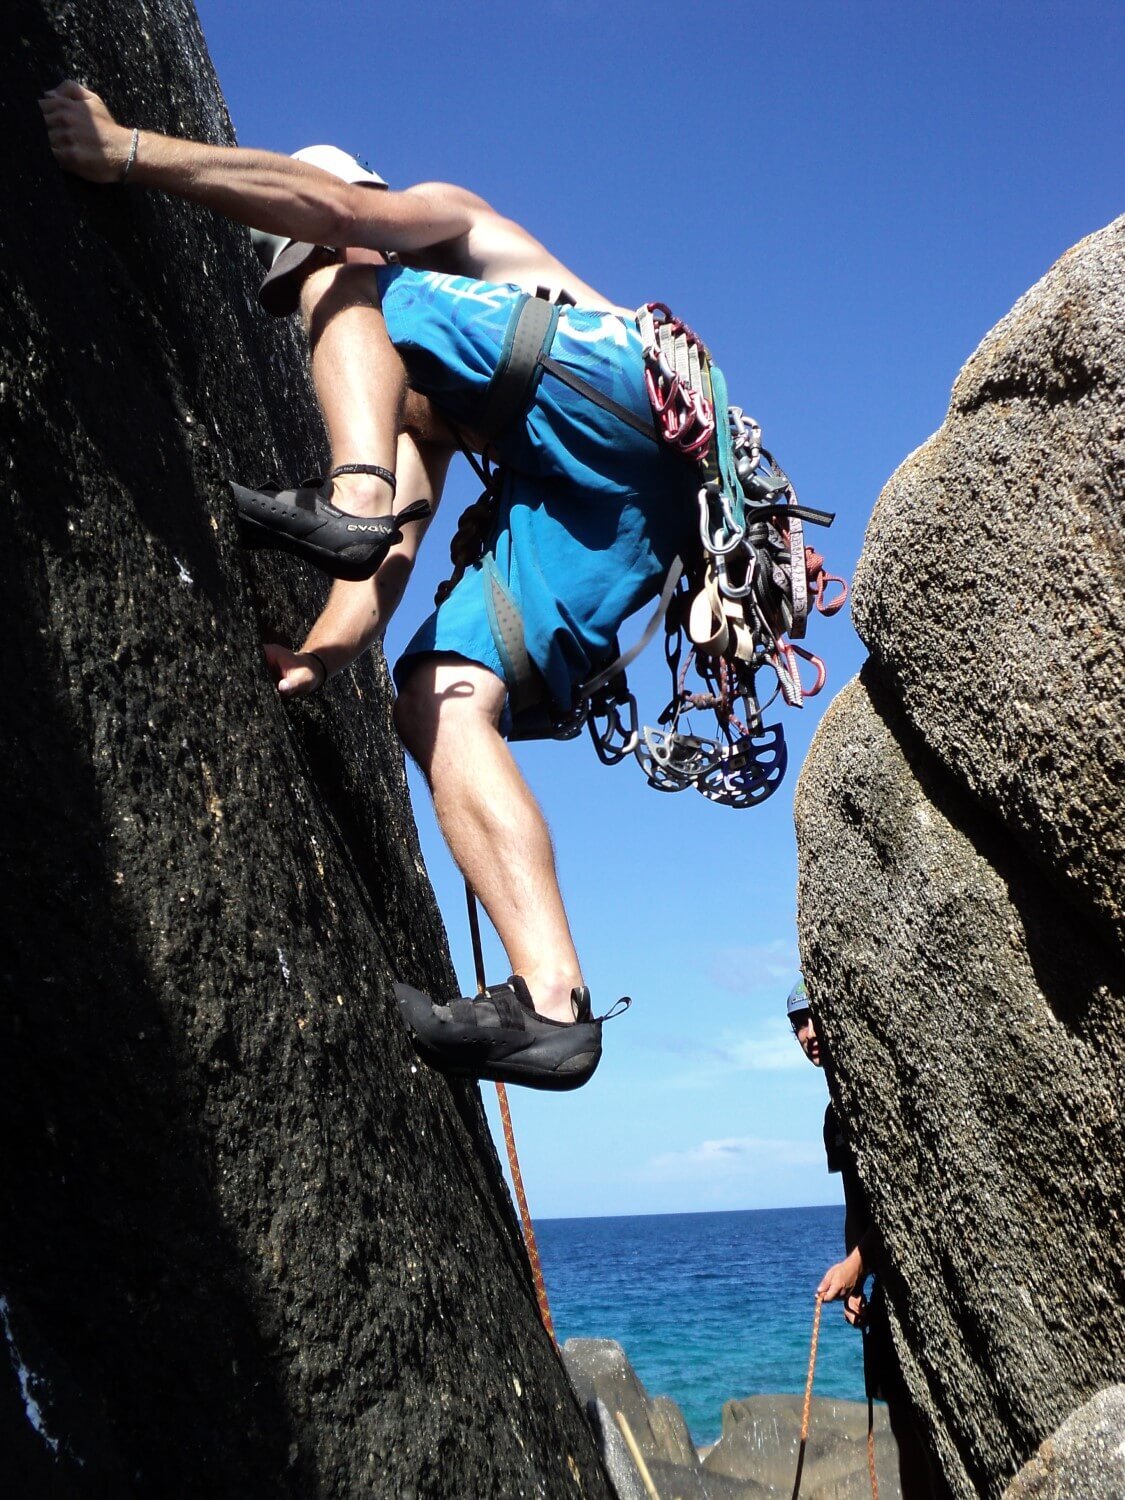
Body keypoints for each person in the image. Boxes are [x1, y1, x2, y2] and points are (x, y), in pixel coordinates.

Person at [39, 82, 699, 1091]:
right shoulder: (422, 393)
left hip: (617, 387)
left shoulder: (452, 222)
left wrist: (126, 149)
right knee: (438, 694)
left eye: (305, 250)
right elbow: (393, 542)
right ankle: (553, 1006)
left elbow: (345, 222)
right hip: (613, 512)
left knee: (355, 306)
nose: (312, 295)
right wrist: (323, 656)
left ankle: (341, 486)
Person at [788, 979, 940, 1498]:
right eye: (797, 1025)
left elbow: (912, 1197)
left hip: (923, 1280)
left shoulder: (873, 1099)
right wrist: (856, 1278)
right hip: (886, 1281)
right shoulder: (835, 1116)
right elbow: (859, 1205)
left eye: (812, 1017)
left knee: (928, 1434)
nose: (807, 1033)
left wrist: (859, 1263)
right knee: (902, 1425)